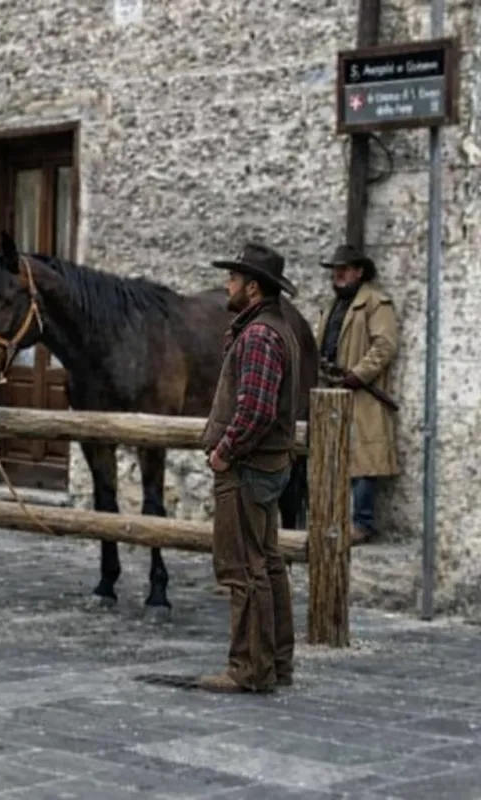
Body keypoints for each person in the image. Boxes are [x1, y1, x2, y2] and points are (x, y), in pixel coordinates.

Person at [198, 242, 306, 694]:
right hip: (262, 465)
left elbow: (257, 410)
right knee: (267, 563)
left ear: (253, 287)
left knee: (243, 568)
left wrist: (225, 450)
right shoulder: (269, 329)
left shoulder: (260, 335)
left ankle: (249, 667)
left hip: (247, 468)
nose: (228, 284)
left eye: (234, 278)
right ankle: (275, 663)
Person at [315, 244, 400, 545]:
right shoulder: (333, 305)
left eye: (344, 269)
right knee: (333, 456)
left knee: (364, 460)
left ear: (359, 271)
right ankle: (333, 519)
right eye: (335, 269)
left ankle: (362, 524)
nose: (337, 274)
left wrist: (358, 374)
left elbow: (384, 346)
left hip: (363, 394)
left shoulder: (376, 303)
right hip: (333, 390)